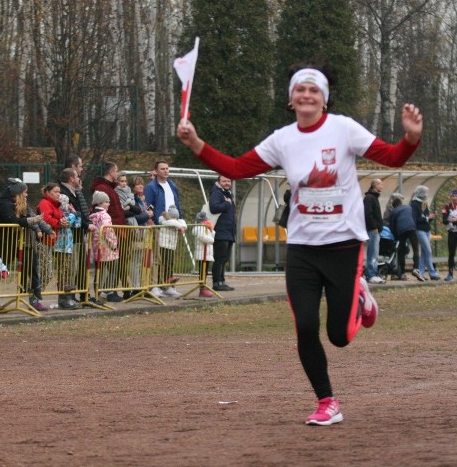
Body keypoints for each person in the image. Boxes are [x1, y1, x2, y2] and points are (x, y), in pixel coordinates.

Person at [177, 62, 421, 425]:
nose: (306, 95)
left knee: (338, 336)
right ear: (291, 99)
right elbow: (237, 167)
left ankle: (360, 295)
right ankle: (327, 402)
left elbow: (391, 156)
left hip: (343, 246)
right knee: (305, 325)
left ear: (324, 99)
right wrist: (196, 143)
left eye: (314, 91)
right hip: (304, 250)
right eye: (300, 90)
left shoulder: (343, 129)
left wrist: (411, 138)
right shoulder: (283, 139)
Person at [0, 178, 50, 312]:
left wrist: (41, 229)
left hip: (17, 241)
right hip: (2, 241)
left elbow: (30, 218)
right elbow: (14, 220)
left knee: (31, 264)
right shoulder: (4, 204)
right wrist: (31, 221)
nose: (27, 194)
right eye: (25, 192)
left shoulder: (22, 204)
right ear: (18, 192)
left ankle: (35, 290)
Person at [60, 166, 95, 308]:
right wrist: (85, 223)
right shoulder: (64, 193)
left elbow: (81, 211)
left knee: (79, 266)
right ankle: (67, 297)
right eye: (76, 176)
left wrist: (84, 221)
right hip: (70, 236)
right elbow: (72, 214)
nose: (79, 177)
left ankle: (79, 294)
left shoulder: (75, 191)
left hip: (78, 233)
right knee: (70, 268)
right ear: (71, 178)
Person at [88, 191, 120, 303]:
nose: (108, 204)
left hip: (96, 247)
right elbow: (108, 231)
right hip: (107, 248)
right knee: (113, 269)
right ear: (100, 203)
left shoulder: (91, 215)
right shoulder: (104, 215)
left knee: (99, 271)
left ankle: (98, 291)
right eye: (106, 202)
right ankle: (105, 290)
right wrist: (113, 244)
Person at [208, 175, 236, 291]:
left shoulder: (228, 194)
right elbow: (213, 207)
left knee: (224, 258)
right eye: (224, 181)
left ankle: (222, 281)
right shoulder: (217, 193)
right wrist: (227, 204)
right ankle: (216, 282)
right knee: (219, 258)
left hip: (228, 231)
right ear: (218, 182)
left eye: (228, 180)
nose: (227, 183)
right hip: (220, 231)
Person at [389, 194, 422, 281]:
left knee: (401, 252)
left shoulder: (394, 212)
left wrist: (396, 237)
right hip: (412, 228)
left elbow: (392, 226)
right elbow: (414, 219)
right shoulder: (408, 208)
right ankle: (416, 268)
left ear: (394, 205)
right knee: (415, 249)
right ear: (400, 202)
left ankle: (402, 273)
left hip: (401, 231)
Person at [411, 185, 440, 280]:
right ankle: (432, 273)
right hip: (420, 230)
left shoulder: (425, 203)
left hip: (427, 229)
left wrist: (431, 217)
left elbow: (426, 218)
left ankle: (421, 273)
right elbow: (416, 219)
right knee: (428, 250)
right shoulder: (414, 204)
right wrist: (427, 218)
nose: (427, 194)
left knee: (424, 252)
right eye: (425, 192)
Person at [143, 160, 181, 225]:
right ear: (156, 171)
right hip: (159, 225)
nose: (165, 171)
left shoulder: (173, 186)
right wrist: (154, 221)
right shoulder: (151, 187)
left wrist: (180, 220)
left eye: (167, 168)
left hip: (175, 223)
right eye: (162, 169)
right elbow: (148, 206)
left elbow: (177, 205)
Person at [363, 179, 385, 284]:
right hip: (373, 230)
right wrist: (374, 226)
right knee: (372, 252)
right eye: (380, 184)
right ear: (375, 185)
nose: (382, 186)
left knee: (375, 253)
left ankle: (374, 273)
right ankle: (371, 274)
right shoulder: (369, 198)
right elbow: (368, 214)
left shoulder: (374, 197)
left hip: (376, 229)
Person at [192, 211, 215, 297]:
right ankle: (202, 288)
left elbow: (211, 235)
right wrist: (212, 240)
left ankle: (204, 286)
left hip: (207, 253)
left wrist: (211, 230)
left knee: (205, 272)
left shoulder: (205, 227)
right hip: (202, 254)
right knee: (202, 272)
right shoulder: (200, 227)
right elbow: (203, 238)